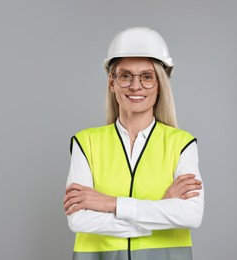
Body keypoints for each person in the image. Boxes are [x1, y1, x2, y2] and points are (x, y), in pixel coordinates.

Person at [63, 27, 204, 260]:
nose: (135, 86)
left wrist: (110, 203)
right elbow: (79, 219)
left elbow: (191, 215)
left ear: (159, 84)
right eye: (125, 75)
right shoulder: (86, 142)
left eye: (147, 77)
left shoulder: (182, 144)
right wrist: (160, 210)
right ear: (112, 82)